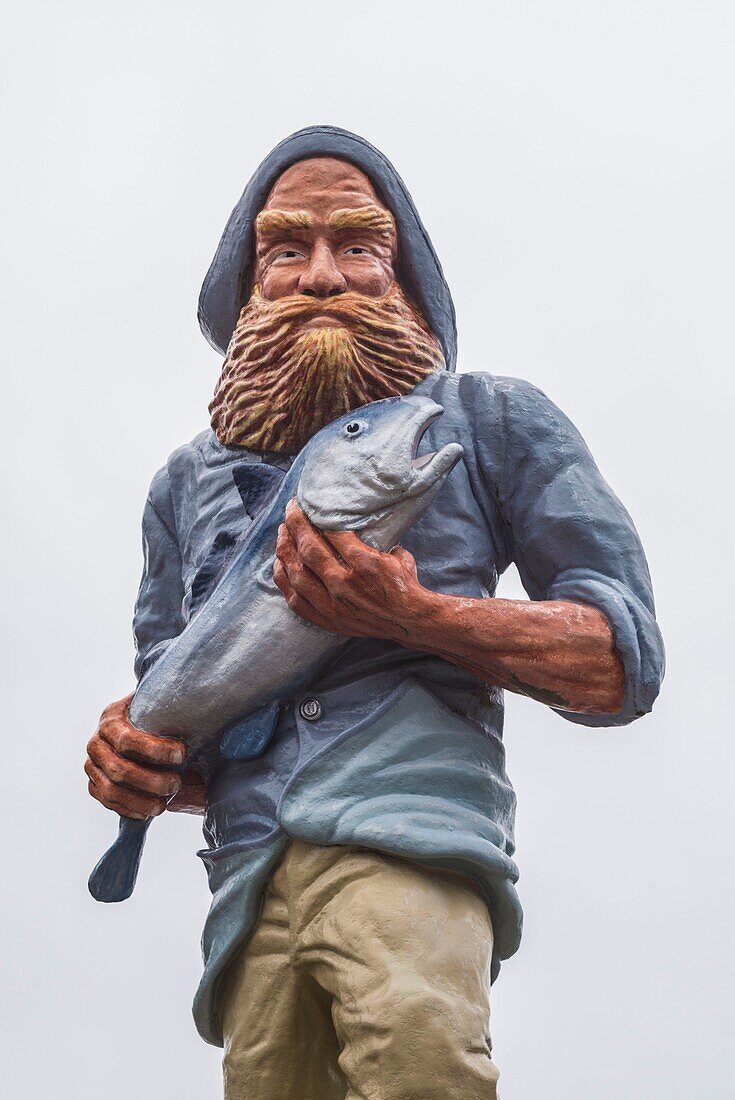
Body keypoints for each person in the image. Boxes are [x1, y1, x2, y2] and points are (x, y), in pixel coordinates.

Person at [85, 126, 664, 1099]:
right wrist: (137, 759)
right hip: (249, 879)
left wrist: (420, 616)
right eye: (285, 250)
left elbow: (621, 657)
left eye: (359, 246)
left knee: (420, 1059)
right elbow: (178, 723)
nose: (322, 275)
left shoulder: (486, 422)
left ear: (411, 286)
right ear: (243, 295)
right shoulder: (181, 486)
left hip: (413, 838)